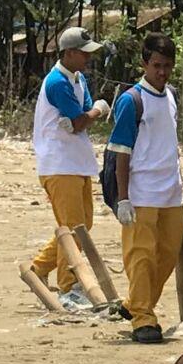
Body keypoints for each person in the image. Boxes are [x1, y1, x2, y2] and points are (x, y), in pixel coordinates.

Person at [107, 32, 183, 344]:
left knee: (167, 254)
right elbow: (121, 152)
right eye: (157, 65)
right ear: (144, 63)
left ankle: (137, 303)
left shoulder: (171, 96)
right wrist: (123, 197)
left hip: (170, 191)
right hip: (141, 191)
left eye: (167, 66)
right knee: (141, 255)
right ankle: (142, 315)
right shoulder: (131, 101)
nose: (162, 72)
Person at [28, 26, 111, 298]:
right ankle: (68, 287)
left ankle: (38, 268)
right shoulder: (57, 83)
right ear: (70, 53)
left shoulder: (77, 79)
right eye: (84, 54)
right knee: (75, 228)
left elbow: (81, 118)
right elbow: (79, 122)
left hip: (75, 162)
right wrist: (97, 110)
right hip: (59, 164)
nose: (88, 59)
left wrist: (88, 114)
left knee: (81, 226)